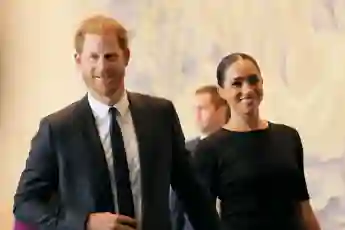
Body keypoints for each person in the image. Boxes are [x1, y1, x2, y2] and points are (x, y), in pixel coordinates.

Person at [13, 15, 221, 230]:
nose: (102, 67)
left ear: (126, 57)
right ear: (79, 61)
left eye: (110, 56)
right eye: (93, 57)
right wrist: (85, 223)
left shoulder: (160, 115)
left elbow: (192, 193)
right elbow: (26, 203)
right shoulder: (57, 129)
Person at [193, 52, 321, 230]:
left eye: (253, 81)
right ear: (222, 91)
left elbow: (304, 208)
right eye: (237, 83)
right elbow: (202, 220)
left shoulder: (288, 137)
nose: (247, 89)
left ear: (262, 83)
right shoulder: (210, 149)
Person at [170, 85, 230, 230]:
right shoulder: (185, 150)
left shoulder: (238, 147)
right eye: (195, 109)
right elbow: (176, 204)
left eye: (202, 109)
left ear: (221, 110)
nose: (196, 115)